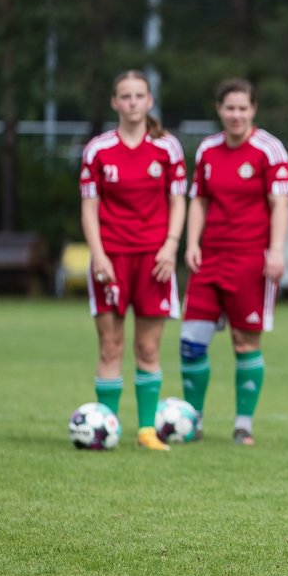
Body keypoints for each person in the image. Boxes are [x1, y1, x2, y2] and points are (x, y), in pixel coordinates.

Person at [180, 78, 288, 445]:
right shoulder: (208, 151)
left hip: (250, 260)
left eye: (243, 108)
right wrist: (191, 242)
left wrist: (276, 250)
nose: (236, 115)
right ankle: (192, 421)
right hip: (209, 258)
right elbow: (199, 200)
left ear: (253, 110)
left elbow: (281, 203)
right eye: (230, 108)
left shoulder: (269, 149)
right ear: (219, 110)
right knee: (191, 342)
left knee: (245, 342)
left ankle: (243, 423)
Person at [80, 70, 187, 451]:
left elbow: (178, 200)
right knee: (110, 346)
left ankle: (146, 431)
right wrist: (98, 255)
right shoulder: (97, 150)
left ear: (149, 101)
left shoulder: (168, 148)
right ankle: (107, 429)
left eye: (138, 96)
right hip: (111, 259)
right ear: (114, 102)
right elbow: (89, 208)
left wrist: (171, 245)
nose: (131, 103)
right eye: (124, 96)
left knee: (148, 349)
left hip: (154, 260)